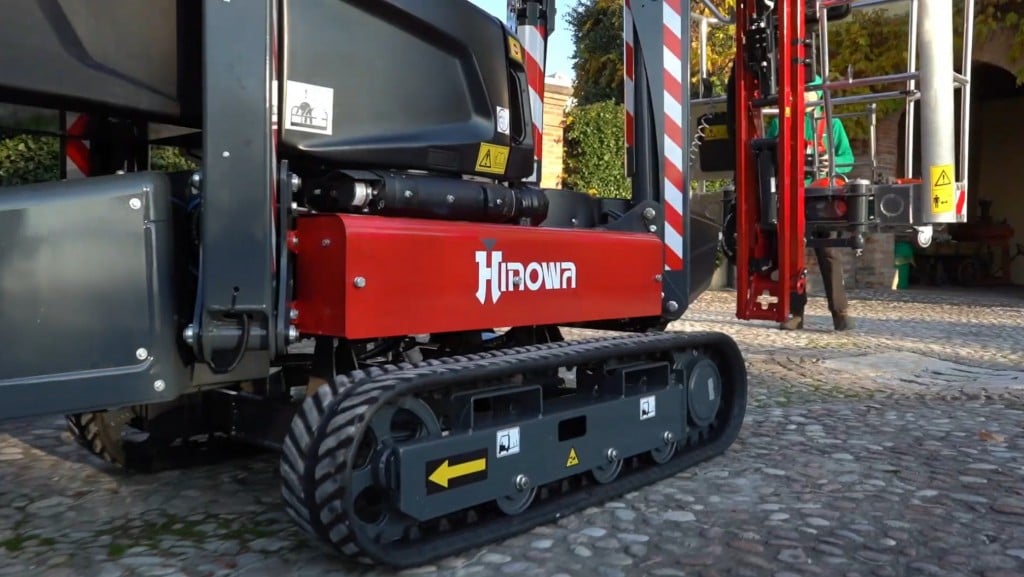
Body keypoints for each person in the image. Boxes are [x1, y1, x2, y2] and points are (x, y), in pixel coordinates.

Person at [764, 75, 856, 331]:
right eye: (800, 92)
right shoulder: (780, 122)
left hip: (823, 197)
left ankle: (840, 313)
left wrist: (832, 165)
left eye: (808, 92)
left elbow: (847, 157)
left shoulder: (832, 125)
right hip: (792, 196)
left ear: (816, 96)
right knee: (793, 255)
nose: (804, 97)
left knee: (830, 253)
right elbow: (767, 156)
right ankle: (795, 312)